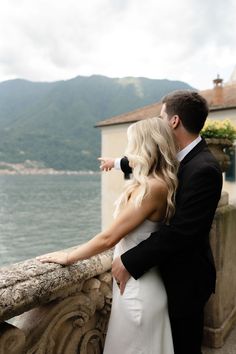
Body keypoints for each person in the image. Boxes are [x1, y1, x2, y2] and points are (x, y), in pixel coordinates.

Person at [37, 117, 179, 354]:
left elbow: (108, 238)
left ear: (143, 146)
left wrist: (70, 256)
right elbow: (130, 163)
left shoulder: (152, 187)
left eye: (132, 143)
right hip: (138, 280)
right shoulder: (158, 182)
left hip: (138, 291)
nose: (128, 149)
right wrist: (115, 163)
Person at [100, 90, 223, 354]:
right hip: (164, 275)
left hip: (186, 281)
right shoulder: (180, 158)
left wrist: (130, 261)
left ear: (174, 121)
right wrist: (117, 162)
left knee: (184, 345)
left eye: (160, 116)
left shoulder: (204, 169)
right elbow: (149, 162)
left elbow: (183, 231)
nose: (157, 122)